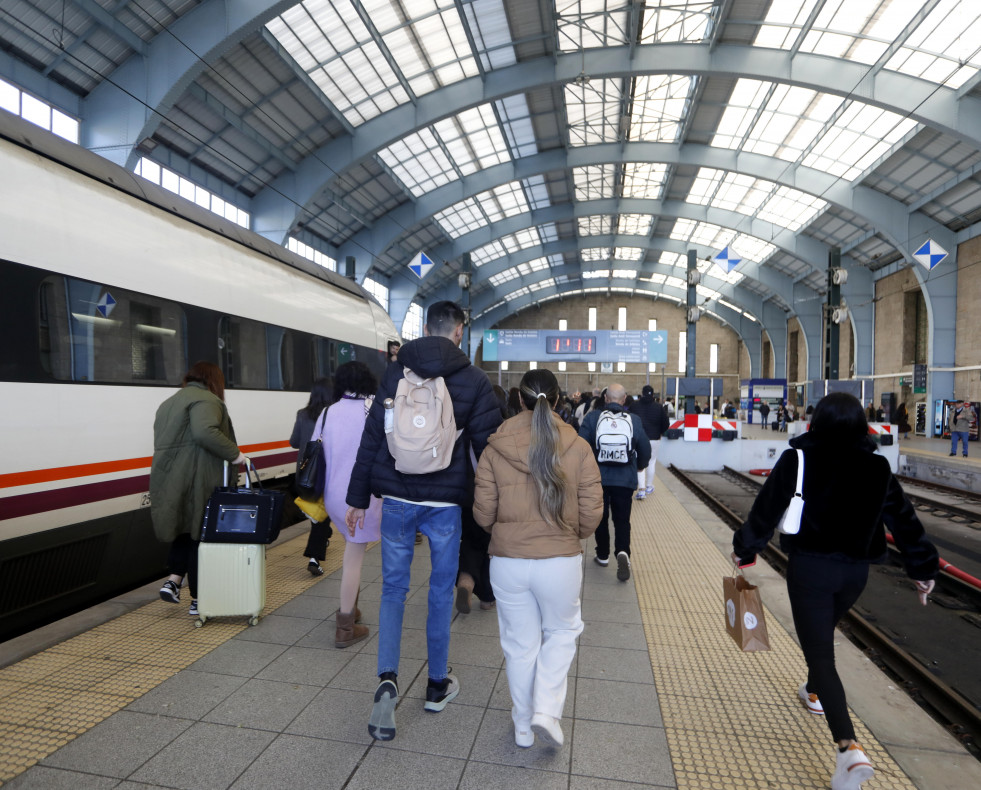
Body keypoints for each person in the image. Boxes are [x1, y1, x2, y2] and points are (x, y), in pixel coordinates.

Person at [731, 392, 938, 790]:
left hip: (811, 570)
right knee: (821, 642)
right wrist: (923, 569)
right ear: (862, 426)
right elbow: (905, 523)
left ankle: (848, 750)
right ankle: (812, 691)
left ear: (817, 422)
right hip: (855, 576)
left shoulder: (799, 459)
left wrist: (746, 550)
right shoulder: (878, 467)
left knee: (821, 652)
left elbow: (766, 509)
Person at [345, 300, 503, 742]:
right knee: (438, 589)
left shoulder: (397, 373)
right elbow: (489, 448)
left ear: (425, 328)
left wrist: (357, 497)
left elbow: (374, 434)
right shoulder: (473, 379)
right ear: (458, 331)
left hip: (396, 497)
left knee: (393, 589)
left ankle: (387, 680)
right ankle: (436, 685)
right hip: (445, 504)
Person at [474, 368, 603, 748]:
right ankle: (546, 710)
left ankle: (523, 727)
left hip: (507, 562)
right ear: (560, 400)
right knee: (562, 632)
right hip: (559, 561)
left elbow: (483, 513)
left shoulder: (495, 446)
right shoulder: (577, 446)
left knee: (520, 645)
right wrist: (568, 536)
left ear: (518, 400)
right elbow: (592, 510)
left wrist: (506, 532)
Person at [150, 361, 247, 616]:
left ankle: (173, 581)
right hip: (198, 477)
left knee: (185, 529)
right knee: (201, 536)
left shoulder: (169, 403)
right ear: (214, 380)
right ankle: (199, 599)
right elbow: (204, 432)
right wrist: (235, 454)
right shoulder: (207, 400)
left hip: (172, 477)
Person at [319, 361, 382, 647]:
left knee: (351, 549)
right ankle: (345, 626)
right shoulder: (373, 409)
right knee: (353, 559)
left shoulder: (327, 412)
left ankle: (351, 607)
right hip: (361, 497)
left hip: (332, 496)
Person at [578, 383, 651, 581]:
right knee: (622, 519)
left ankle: (602, 554)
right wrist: (640, 466)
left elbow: (581, 446)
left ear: (606, 399)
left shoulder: (593, 418)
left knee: (600, 517)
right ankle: (623, 551)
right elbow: (645, 448)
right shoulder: (634, 420)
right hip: (624, 479)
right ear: (624, 399)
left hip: (598, 478)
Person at [289, 378, 333, 576]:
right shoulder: (333, 414)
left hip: (305, 472)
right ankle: (314, 557)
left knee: (318, 516)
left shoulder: (302, 414)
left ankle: (323, 536)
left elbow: (294, 442)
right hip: (327, 473)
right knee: (322, 516)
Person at [630, 385, 669, 499]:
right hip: (654, 438)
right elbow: (666, 423)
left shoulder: (634, 406)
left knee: (639, 462)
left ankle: (641, 490)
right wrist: (660, 432)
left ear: (642, 394)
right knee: (651, 462)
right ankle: (649, 486)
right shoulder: (659, 407)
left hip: (638, 438)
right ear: (653, 395)